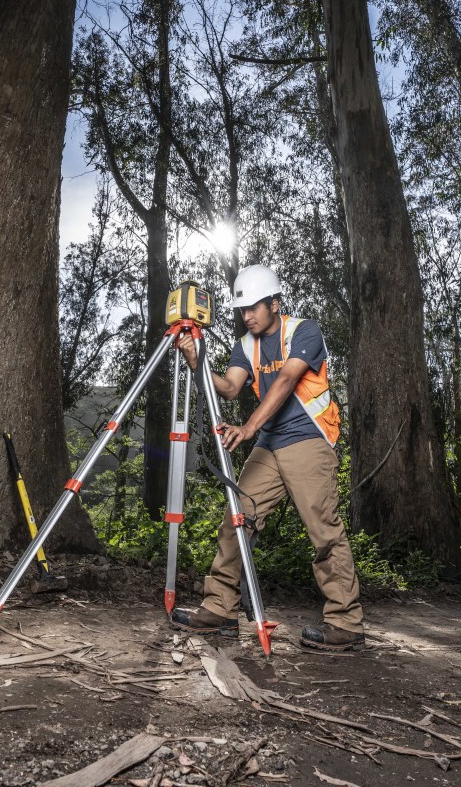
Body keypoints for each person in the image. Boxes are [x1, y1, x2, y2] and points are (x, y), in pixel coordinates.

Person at [169, 264, 365, 651]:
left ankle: (346, 623)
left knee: (324, 531)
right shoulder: (245, 345)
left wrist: (248, 428)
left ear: (274, 303)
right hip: (269, 444)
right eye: (242, 310)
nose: (247, 316)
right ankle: (220, 609)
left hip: (308, 439)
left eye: (254, 307)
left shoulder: (304, 331)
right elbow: (228, 388)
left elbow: (288, 380)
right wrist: (195, 358)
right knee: (236, 517)